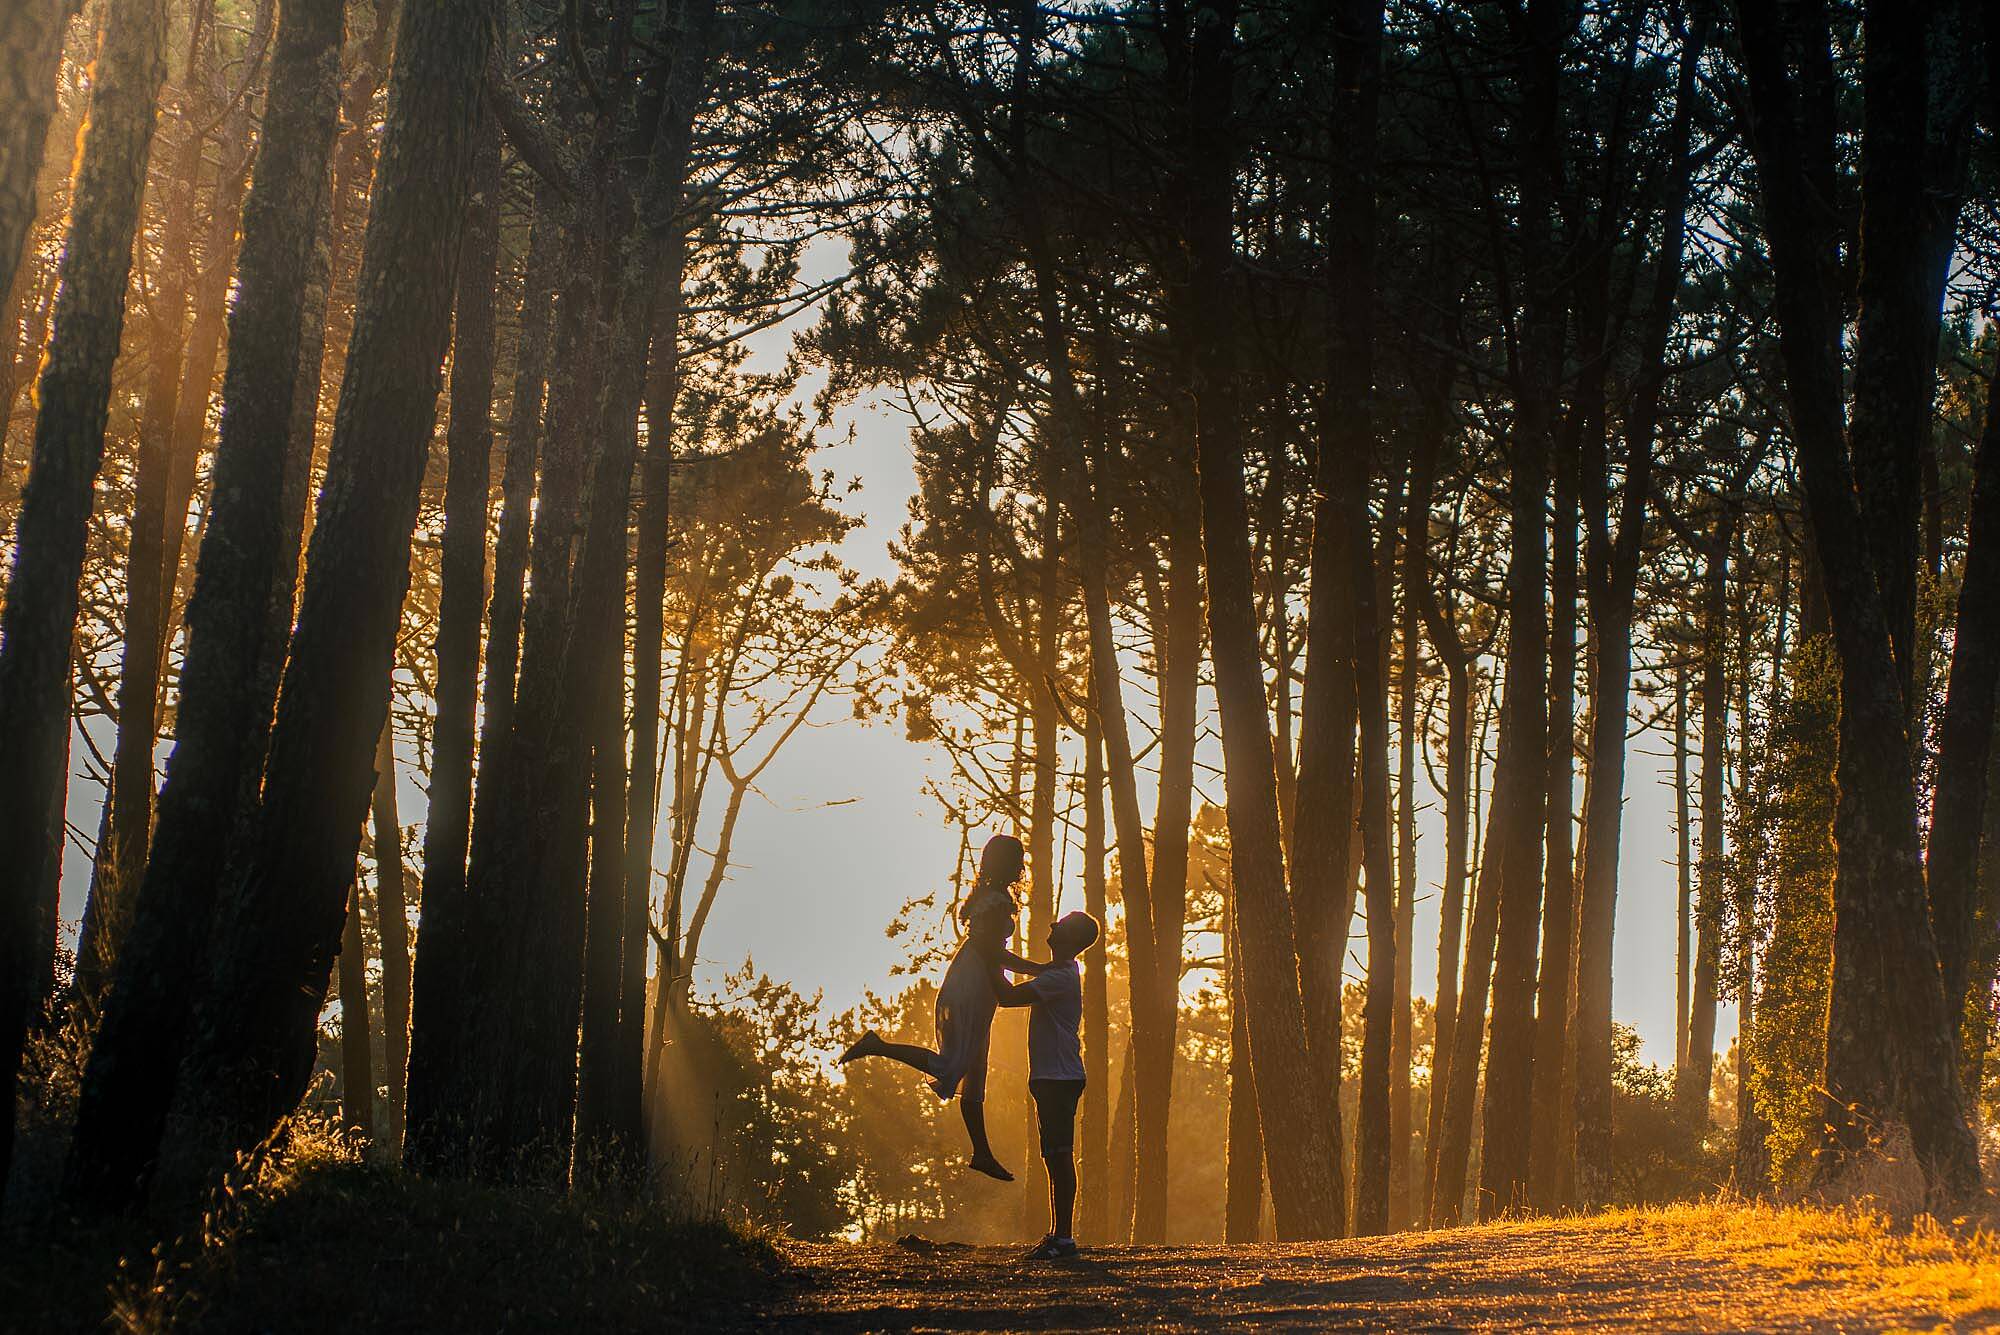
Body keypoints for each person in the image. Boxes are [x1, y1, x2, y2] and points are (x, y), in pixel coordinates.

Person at [838, 835, 1044, 1181]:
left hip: (978, 985)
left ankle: (981, 1152)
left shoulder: (993, 898)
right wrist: (1037, 970)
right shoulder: (994, 903)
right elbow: (992, 953)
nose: (1020, 866)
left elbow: (992, 953)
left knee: (975, 1069)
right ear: (1003, 863)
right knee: (953, 1065)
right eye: (1016, 860)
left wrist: (1023, 975)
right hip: (971, 986)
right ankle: (878, 1045)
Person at [996, 908, 1100, 1261]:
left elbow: (1007, 998)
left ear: (1071, 940)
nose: (1053, 924)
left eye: (1062, 925)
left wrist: (987, 959)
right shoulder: (1058, 972)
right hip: (1053, 1075)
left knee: (1059, 1155)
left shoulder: (1061, 978)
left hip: (1059, 1075)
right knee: (1053, 1157)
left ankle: (1065, 1238)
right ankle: (1059, 1235)